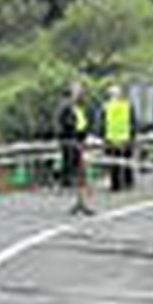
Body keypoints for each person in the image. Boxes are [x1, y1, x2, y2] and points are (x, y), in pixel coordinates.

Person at [56, 81, 92, 214]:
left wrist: (85, 134)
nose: (80, 92)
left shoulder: (79, 105)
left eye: (81, 90)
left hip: (79, 141)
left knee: (80, 170)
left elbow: (83, 121)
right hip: (71, 141)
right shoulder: (66, 105)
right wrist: (70, 135)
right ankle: (72, 195)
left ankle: (81, 200)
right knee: (72, 168)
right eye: (77, 90)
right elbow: (63, 123)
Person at [101, 84, 135, 193]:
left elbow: (102, 123)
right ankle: (126, 183)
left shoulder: (106, 106)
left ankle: (116, 185)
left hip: (112, 138)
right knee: (124, 163)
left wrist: (102, 137)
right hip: (124, 138)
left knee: (115, 164)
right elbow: (133, 122)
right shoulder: (127, 105)